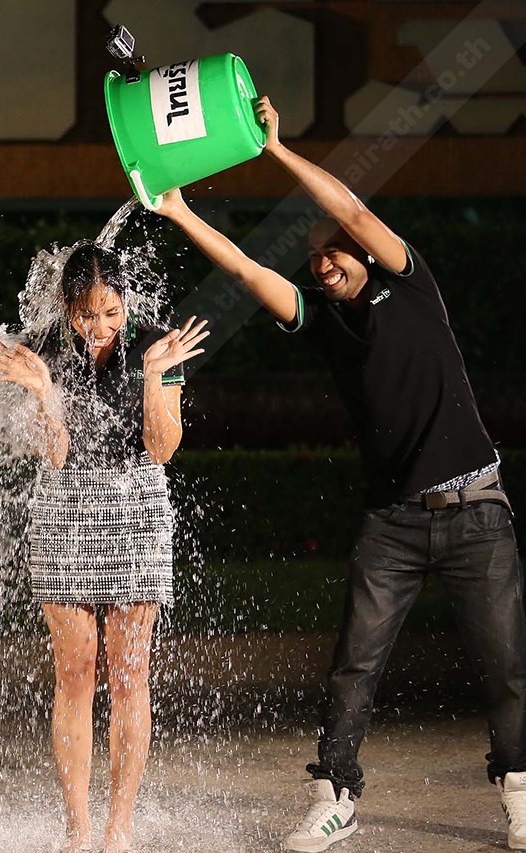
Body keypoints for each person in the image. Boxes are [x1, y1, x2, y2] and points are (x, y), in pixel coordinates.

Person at [154, 96, 524, 853]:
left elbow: (349, 206)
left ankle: (519, 792)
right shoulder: (322, 325)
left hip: (475, 508)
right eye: (315, 257)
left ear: (363, 250)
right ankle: (334, 798)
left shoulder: (412, 283)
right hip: (392, 520)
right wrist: (179, 211)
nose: (323, 263)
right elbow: (254, 271)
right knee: (353, 668)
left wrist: (277, 152)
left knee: (508, 665)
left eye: (335, 251)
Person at [0, 244, 209, 852]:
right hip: (65, 513)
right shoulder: (45, 350)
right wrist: (42, 389)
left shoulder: (157, 344)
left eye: (111, 312)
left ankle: (120, 828)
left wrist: (158, 378)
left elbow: (160, 450)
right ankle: (78, 828)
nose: (101, 328)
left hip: (136, 510)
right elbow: (53, 455)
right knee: (75, 675)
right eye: (87, 315)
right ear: (65, 307)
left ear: (126, 301)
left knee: (131, 676)